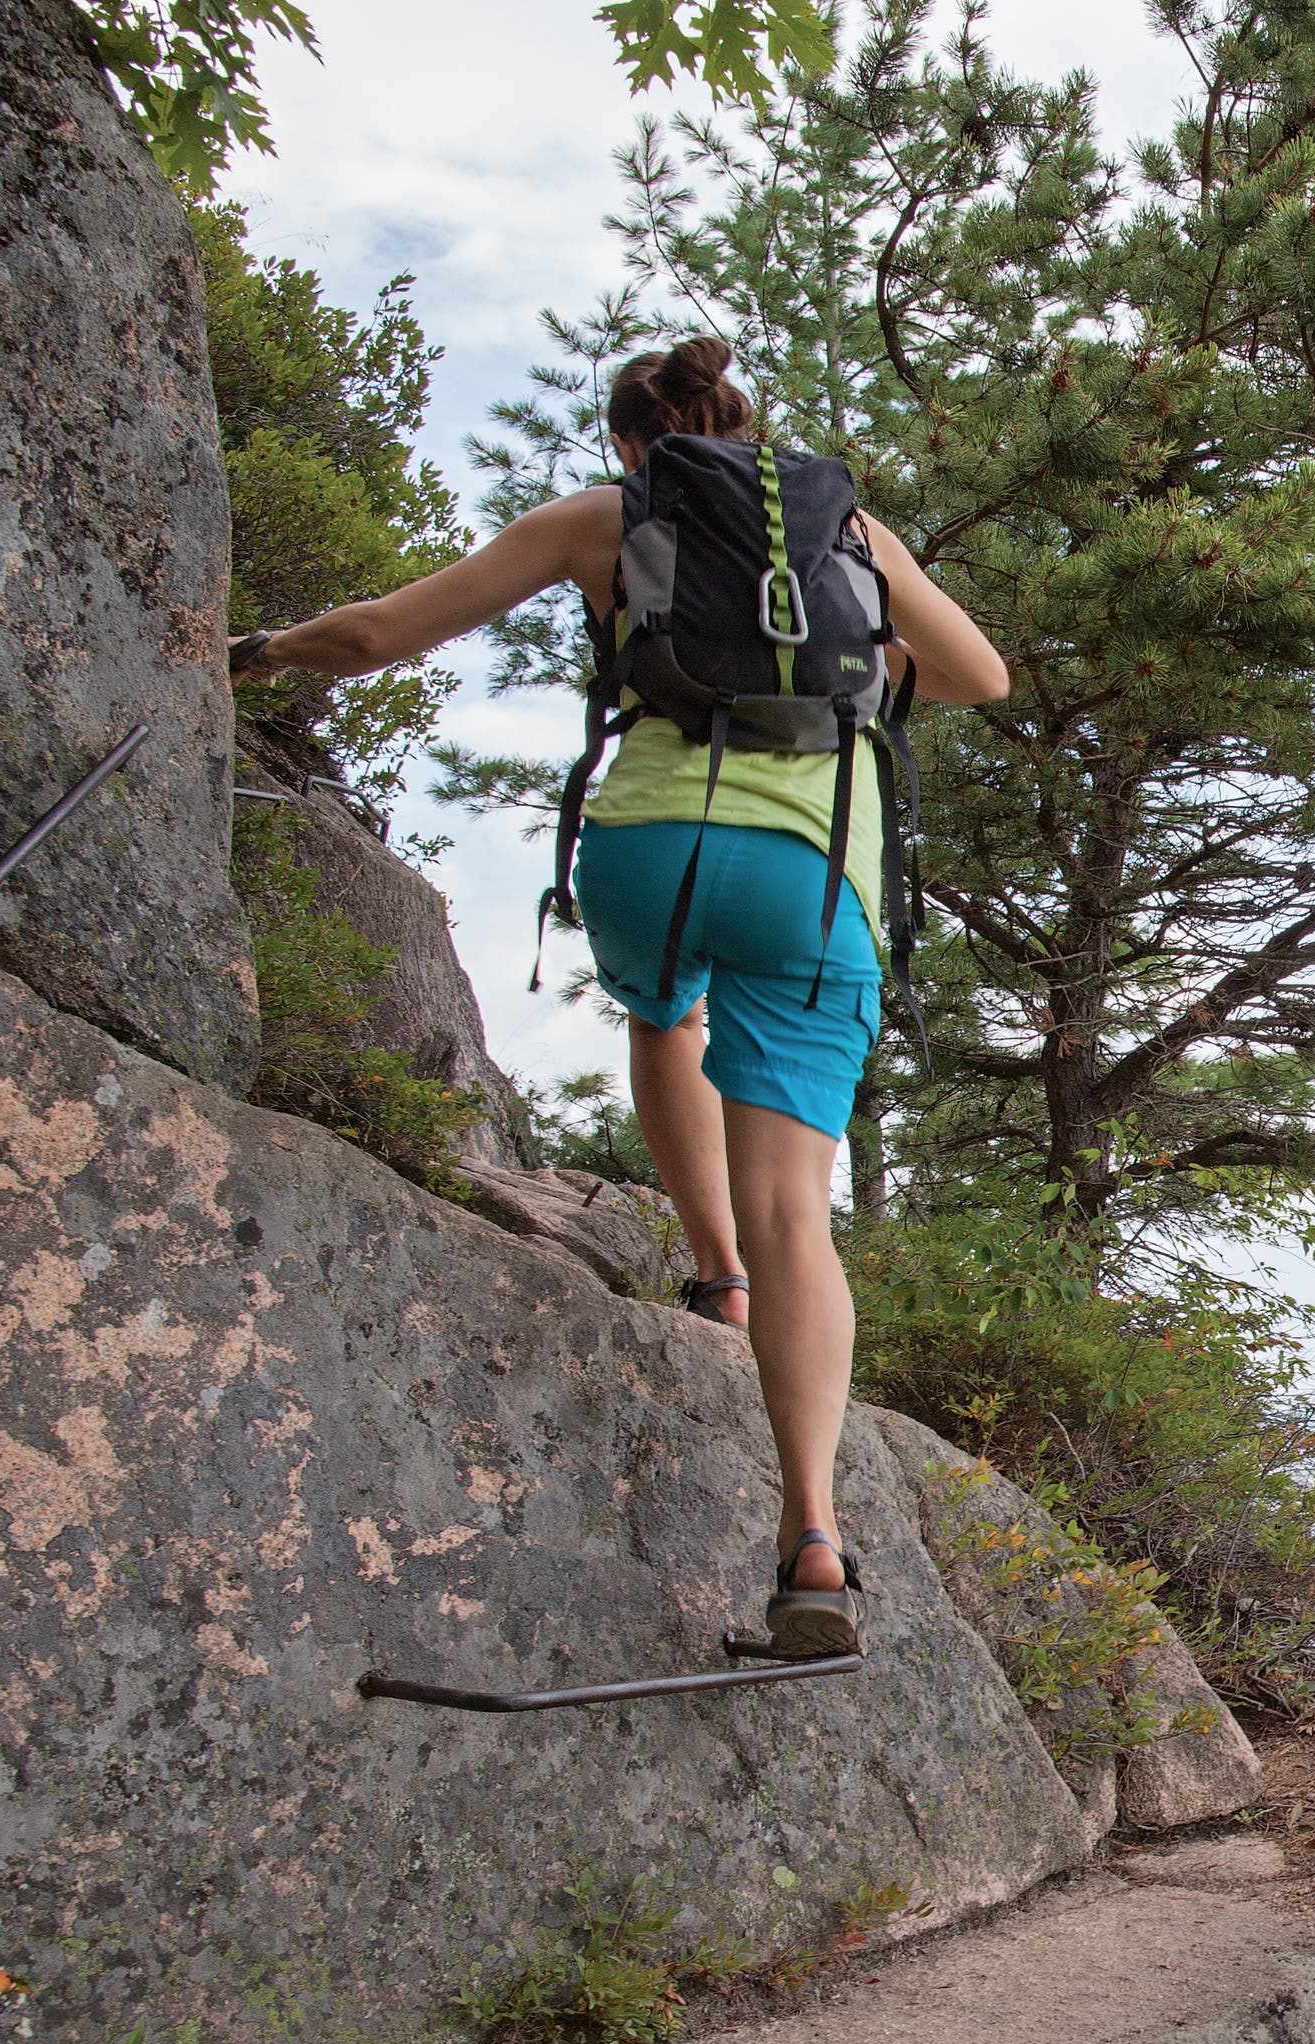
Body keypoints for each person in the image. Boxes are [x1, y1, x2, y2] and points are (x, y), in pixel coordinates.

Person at [230, 338, 1009, 1656]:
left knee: (664, 1015)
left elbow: (374, 635)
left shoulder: (603, 517)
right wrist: (860, 667)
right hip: (812, 871)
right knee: (796, 1210)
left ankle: (715, 1278)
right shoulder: (849, 533)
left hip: (650, 849)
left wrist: (251, 652)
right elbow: (983, 675)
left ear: (630, 444)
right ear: (745, 429)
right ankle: (812, 1538)